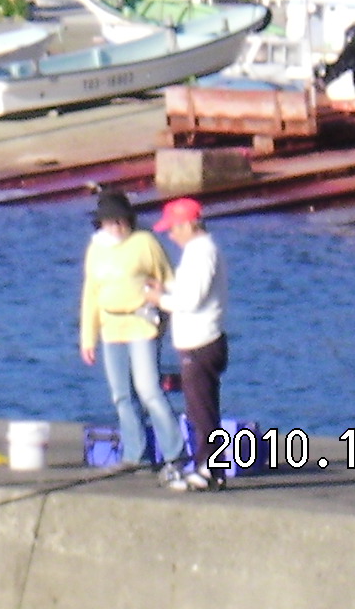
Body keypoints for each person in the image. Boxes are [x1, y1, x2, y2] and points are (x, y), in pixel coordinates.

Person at [79, 190, 186, 476]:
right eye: (110, 221)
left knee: (149, 390)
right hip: (110, 327)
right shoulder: (95, 249)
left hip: (142, 324)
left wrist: (165, 319)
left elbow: (168, 281)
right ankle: (134, 454)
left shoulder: (145, 243)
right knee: (121, 395)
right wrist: (88, 337)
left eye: (120, 220)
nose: (116, 226)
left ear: (129, 220)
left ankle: (175, 452)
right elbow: (91, 293)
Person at [147, 196, 229, 492]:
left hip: (201, 343)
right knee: (200, 410)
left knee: (202, 411)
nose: (170, 235)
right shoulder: (197, 252)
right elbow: (188, 288)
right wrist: (166, 287)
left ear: (188, 225)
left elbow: (192, 300)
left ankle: (210, 470)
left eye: (173, 229)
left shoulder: (202, 252)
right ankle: (208, 467)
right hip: (198, 342)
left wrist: (160, 299)